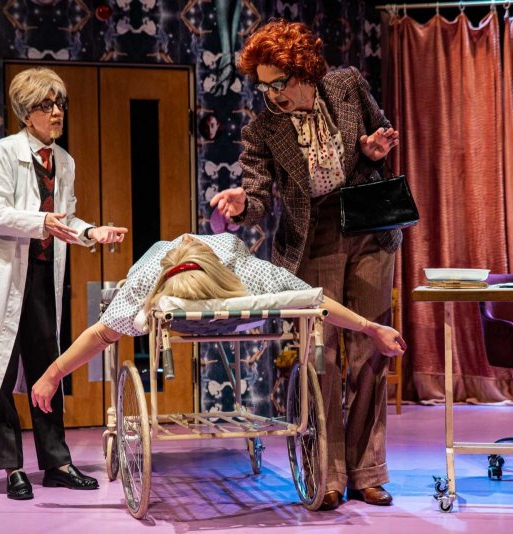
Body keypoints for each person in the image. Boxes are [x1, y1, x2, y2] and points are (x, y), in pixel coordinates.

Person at [209, 21, 402, 509]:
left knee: (371, 349)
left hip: (369, 226)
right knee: (324, 356)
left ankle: (368, 471)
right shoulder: (263, 130)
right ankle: (327, 473)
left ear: (305, 72)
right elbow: (258, 196)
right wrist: (241, 202)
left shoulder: (347, 86)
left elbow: (380, 136)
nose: (273, 95)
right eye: (264, 87)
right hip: (313, 236)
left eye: (280, 83)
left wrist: (373, 149)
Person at [0, 67, 128, 501]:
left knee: (49, 368)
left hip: (43, 276)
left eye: (60, 104)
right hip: (4, 277)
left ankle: (57, 463)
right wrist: (41, 222)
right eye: (47, 105)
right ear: (27, 113)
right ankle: (12, 469)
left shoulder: (64, 162)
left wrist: (90, 232)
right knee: (1, 372)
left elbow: (66, 218)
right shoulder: (2, 154)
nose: (57, 112)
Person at [30, 233, 406, 418]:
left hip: (223, 259)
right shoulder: (145, 285)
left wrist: (371, 328)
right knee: (124, 307)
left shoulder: (251, 274)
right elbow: (101, 334)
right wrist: (53, 373)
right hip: (162, 259)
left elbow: (314, 300)